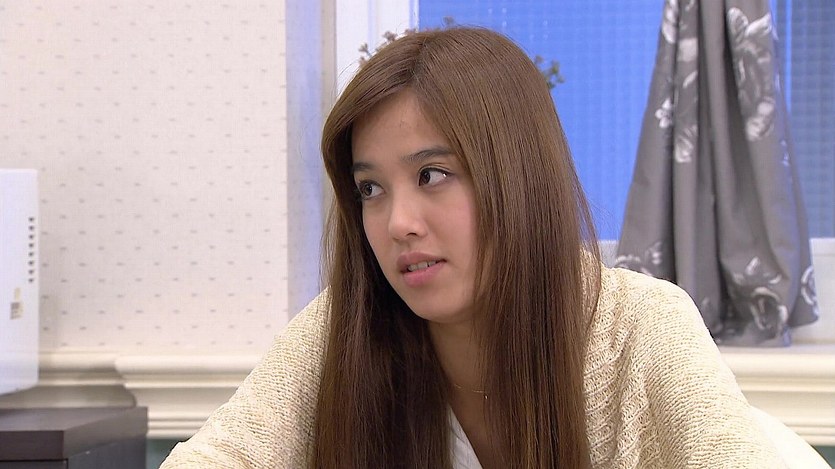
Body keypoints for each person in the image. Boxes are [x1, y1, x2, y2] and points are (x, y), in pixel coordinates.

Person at [161, 27, 788, 468]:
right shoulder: (342, 327)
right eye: (370, 189)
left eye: (432, 174)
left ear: (517, 179)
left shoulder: (645, 326)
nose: (398, 222)